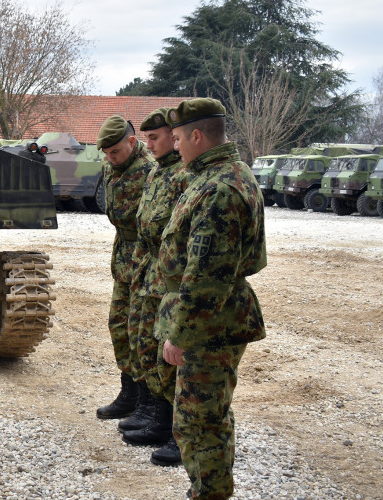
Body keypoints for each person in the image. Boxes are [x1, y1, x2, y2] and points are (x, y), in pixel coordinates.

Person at [156, 98, 267, 500]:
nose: (175, 146)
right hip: (212, 319)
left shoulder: (219, 188)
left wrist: (181, 334)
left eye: (178, 138)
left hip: (209, 324)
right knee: (205, 416)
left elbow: (207, 277)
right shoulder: (221, 174)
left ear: (197, 136)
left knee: (199, 422)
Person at [120, 108, 189, 466]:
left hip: (168, 275)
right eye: (146, 138)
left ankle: (172, 425)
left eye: (155, 137)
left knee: (167, 350)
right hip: (149, 269)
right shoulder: (158, 172)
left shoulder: (183, 175)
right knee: (144, 341)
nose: (149, 145)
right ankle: (153, 413)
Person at [94, 115, 155, 421]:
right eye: (106, 153)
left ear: (132, 142)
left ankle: (147, 401)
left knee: (141, 331)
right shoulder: (110, 166)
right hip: (123, 256)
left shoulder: (150, 170)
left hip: (145, 257)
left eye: (115, 152)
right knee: (119, 326)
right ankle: (128, 393)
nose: (110, 158)